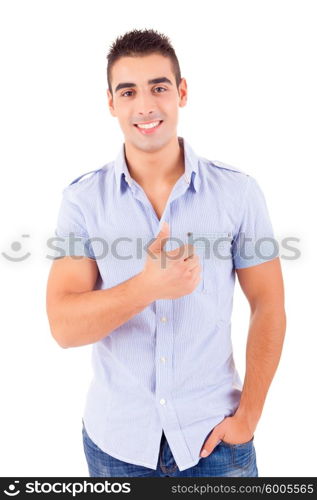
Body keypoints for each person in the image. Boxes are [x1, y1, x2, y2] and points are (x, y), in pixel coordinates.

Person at [46, 28, 286, 477]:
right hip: (116, 446)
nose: (146, 106)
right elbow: (63, 326)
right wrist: (147, 286)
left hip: (215, 442)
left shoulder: (238, 193)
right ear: (111, 103)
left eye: (158, 87)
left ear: (182, 92)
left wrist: (249, 416)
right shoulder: (82, 201)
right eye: (128, 91)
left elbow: (269, 303)